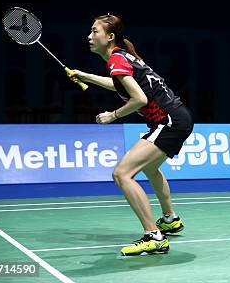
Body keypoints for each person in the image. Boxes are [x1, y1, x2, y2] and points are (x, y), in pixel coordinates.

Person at [68, 14, 194, 255]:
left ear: (110, 37)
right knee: (149, 168)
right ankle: (170, 219)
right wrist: (85, 76)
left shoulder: (116, 59)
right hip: (178, 117)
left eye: (95, 31)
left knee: (122, 173)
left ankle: (153, 236)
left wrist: (112, 115)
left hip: (168, 121)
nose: (89, 36)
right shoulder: (124, 57)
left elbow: (139, 99)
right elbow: (118, 84)